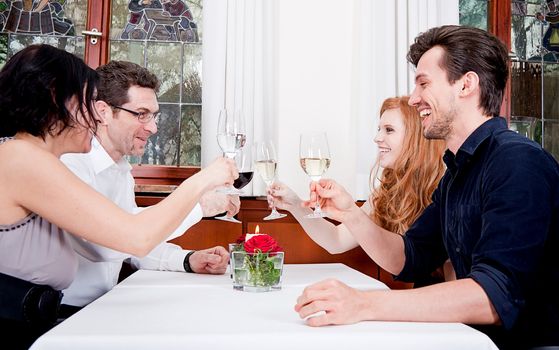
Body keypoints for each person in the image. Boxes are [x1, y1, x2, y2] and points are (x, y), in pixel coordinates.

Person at [294, 25, 559, 350]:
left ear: (466, 84)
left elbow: (493, 295)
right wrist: (351, 214)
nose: (414, 98)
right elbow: (409, 258)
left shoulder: (518, 163)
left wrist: (364, 304)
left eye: (423, 83)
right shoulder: (458, 172)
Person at [0, 44, 236, 349]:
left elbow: (128, 237)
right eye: (86, 103)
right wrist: (202, 182)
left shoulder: (29, 157)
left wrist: (186, 259)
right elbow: (132, 237)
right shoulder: (22, 158)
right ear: (58, 101)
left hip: (39, 322)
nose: (93, 117)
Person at [58, 60, 240, 312]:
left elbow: (132, 244)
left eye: (154, 116)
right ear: (103, 112)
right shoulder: (70, 164)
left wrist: (187, 260)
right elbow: (109, 245)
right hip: (62, 313)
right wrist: (197, 203)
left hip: (104, 306)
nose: (153, 127)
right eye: (141, 114)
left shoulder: (121, 170)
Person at [269, 96, 448, 286]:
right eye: (379, 129)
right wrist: (295, 204)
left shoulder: (447, 188)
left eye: (389, 130)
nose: (377, 138)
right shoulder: (387, 191)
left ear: (416, 139)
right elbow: (336, 241)